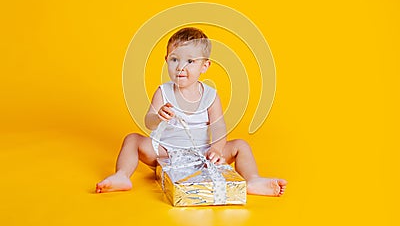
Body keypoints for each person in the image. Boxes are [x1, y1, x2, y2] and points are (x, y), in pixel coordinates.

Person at [96, 27, 287, 196]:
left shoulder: (210, 95)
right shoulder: (164, 92)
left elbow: (219, 127)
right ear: (166, 60)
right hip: (165, 151)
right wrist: (158, 117)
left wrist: (217, 150)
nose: (180, 67)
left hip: (202, 153)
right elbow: (149, 121)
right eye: (174, 59)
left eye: (190, 61)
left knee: (241, 146)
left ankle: (253, 179)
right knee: (132, 140)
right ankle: (122, 175)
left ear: (204, 66)